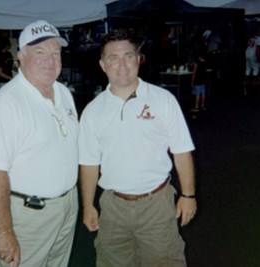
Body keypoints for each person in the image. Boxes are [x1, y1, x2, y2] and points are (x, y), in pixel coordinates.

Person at [78, 32, 197, 267]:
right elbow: (89, 163)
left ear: (138, 59)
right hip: (112, 208)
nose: (122, 64)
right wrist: (89, 205)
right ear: (103, 65)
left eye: (128, 56)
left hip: (157, 204)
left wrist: (188, 195)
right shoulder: (93, 111)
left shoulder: (163, 100)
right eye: (113, 58)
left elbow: (182, 151)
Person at [0, 20, 79, 267]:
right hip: (29, 215)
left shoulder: (63, 92)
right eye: (40, 52)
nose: (50, 59)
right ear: (21, 57)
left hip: (66, 205)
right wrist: (4, 232)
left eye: (55, 52)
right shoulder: (6, 105)